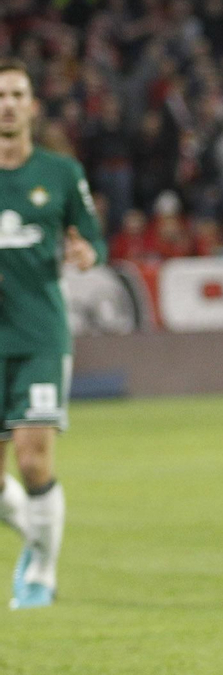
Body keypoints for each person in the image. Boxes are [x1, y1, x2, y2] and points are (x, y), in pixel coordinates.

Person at [0, 58, 107, 610]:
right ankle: (36, 535)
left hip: (40, 335)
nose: (8, 105)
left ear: (33, 106)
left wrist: (87, 252)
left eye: (17, 95)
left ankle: (40, 573)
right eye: (0, 96)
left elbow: (93, 239)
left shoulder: (61, 173)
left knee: (33, 460)